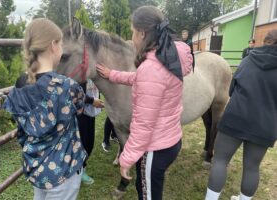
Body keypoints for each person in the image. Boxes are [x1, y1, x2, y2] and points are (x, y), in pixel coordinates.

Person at [97, 6, 193, 200]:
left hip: (154, 149)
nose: (132, 38)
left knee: (148, 195)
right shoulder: (168, 58)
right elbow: (144, 79)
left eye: (132, 32)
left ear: (142, 33)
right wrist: (112, 74)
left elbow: (143, 125)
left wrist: (126, 158)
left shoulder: (151, 68)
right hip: (171, 138)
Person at [3, 18, 87, 200]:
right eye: (61, 44)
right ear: (53, 45)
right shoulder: (67, 86)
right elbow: (80, 108)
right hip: (63, 172)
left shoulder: (19, 84)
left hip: (36, 168)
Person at [204, 30, 277, 200]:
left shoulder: (248, 59)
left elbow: (231, 89)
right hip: (265, 124)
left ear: (265, 41)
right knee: (252, 167)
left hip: (235, 118)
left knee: (220, 161)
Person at [78, 79, 103, 185]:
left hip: (90, 112)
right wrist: (91, 100)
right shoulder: (79, 72)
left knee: (89, 144)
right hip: (81, 113)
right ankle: (79, 171)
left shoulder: (93, 71)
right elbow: (75, 93)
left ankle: (81, 168)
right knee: (82, 144)